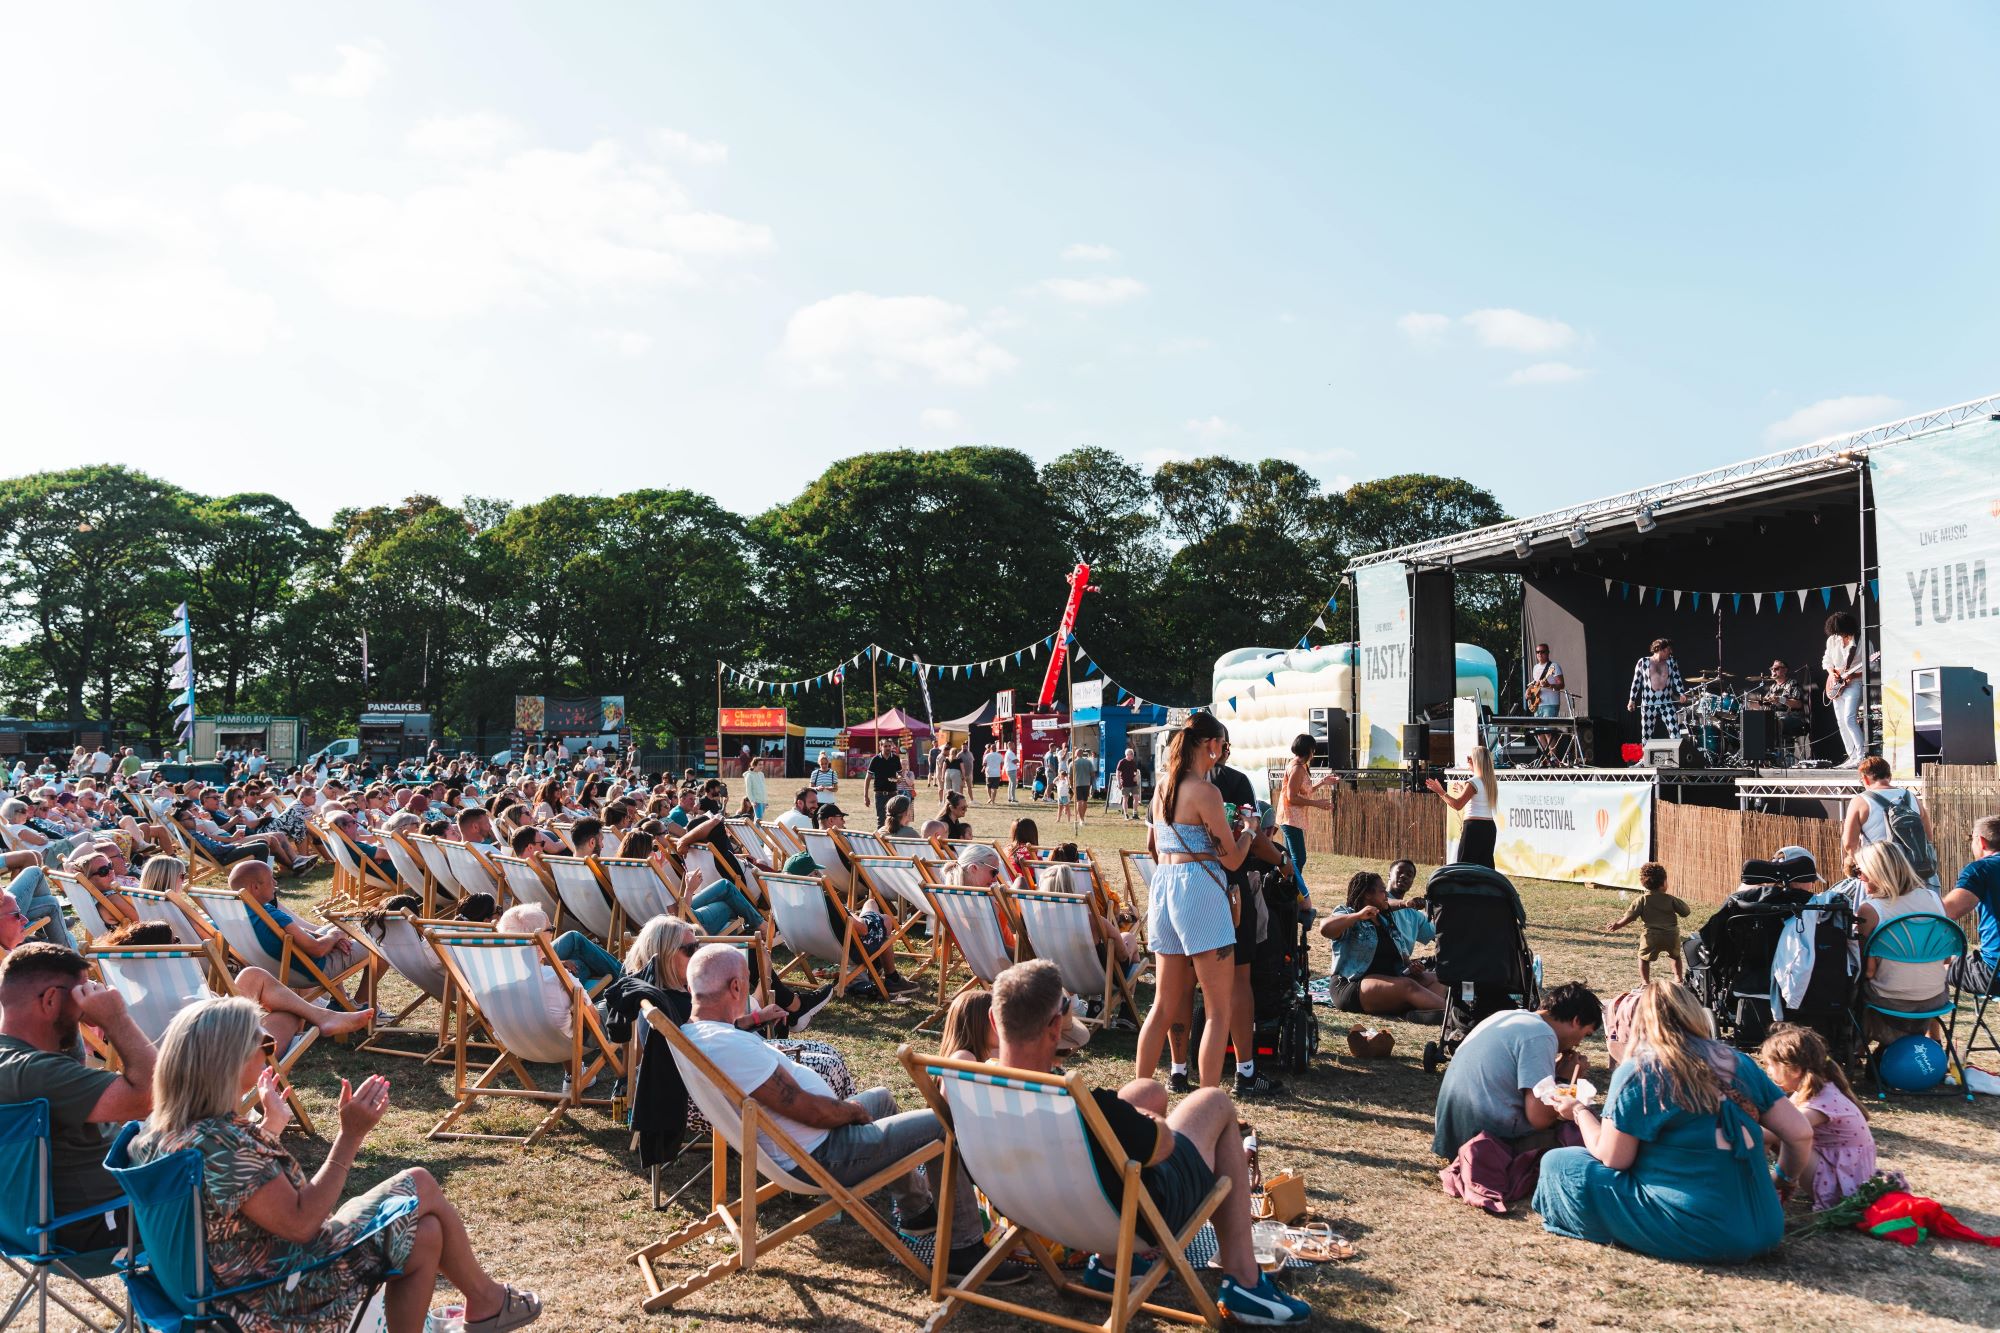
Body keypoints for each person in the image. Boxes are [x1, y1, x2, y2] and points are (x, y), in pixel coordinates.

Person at [129, 998, 541, 1333]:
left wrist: (270, 1127)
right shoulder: (223, 1141)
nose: (272, 1052)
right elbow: (301, 1222)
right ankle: (487, 1301)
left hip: (215, 1291)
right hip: (274, 1298)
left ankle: (486, 1302)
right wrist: (350, 1135)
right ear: (229, 1060)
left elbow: (233, 1203)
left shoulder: (158, 1136)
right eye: (266, 1045)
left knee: (425, 1235)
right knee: (419, 1180)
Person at [991, 960, 1310, 1324]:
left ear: (994, 1021)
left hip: (1031, 1208)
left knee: (1147, 1090)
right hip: (1122, 1219)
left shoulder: (970, 1095)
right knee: (1214, 1103)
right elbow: (1163, 1146)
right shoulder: (1080, 1104)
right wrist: (1149, 1124)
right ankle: (1245, 1282)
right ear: (1053, 1027)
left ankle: (1114, 1266)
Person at [681, 944, 1019, 1283]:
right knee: (940, 1125)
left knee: (882, 1100)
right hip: (822, 1156)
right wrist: (849, 1112)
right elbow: (808, 1110)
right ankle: (962, 1250)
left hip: (809, 1145)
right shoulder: (730, 1047)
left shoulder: (699, 1032)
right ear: (737, 987)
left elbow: (734, 1039)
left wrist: (753, 1020)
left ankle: (916, 1211)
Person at [1531, 981, 1813, 1264]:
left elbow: (1613, 1158)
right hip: (1766, 1226)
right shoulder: (1740, 1063)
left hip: (1696, 1229)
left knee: (1560, 1163)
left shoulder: (1639, 1071)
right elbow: (1800, 1133)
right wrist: (1785, 1179)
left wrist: (1579, 1112)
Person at [0, 943, 156, 1257]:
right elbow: (153, 1094)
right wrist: (116, 1018)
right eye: (82, 996)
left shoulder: (18, 1064)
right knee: (237, 1187)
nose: (87, 1012)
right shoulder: (39, 1073)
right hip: (97, 1227)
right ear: (51, 1000)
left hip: (20, 1229)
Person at [1133, 713, 1262, 1091]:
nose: (1223, 752)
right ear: (1210, 745)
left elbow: (1154, 847)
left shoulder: (1161, 788)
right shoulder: (1206, 792)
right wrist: (1250, 832)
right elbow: (1233, 860)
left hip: (1165, 886)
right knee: (1218, 1009)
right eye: (1222, 745)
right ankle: (1208, 1099)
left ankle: (1138, 1091)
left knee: (1162, 1005)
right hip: (1199, 892)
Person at [1432, 981, 1602, 1158]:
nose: (1578, 1043)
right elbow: (1540, 1118)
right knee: (1585, 1134)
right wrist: (1567, 1080)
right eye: (1585, 1034)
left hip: (1452, 1137)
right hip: (1482, 1145)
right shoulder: (1541, 1035)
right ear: (1576, 1021)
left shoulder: (1508, 1016)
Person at [1758, 1024, 1875, 1209]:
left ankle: (1764, 1184)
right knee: (1778, 1129)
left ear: (1795, 1069)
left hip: (1842, 1189)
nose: (1768, 1071)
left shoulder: (1820, 1101)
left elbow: (1773, 1132)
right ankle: (1756, 1179)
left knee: (1785, 1133)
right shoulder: (1812, 1089)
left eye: (1770, 1065)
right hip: (1837, 1171)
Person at [1853, 840, 1950, 1044]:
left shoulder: (1870, 910)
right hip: (1935, 997)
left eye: (1860, 871)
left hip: (1891, 1000)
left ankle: (1859, 1046)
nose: (1859, 877)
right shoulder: (1933, 899)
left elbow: (1866, 970)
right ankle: (1930, 1040)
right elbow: (1946, 957)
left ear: (1876, 873)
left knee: (1851, 984)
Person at [231, 860, 364, 1003]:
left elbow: (298, 933)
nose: (275, 883)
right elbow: (317, 949)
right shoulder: (272, 916)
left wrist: (331, 939)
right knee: (377, 945)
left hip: (272, 967)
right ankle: (363, 1004)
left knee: (329, 931)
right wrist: (335, 936)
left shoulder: (233, 912)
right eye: (271, 879)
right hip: (308, 972)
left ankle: (341, 1001)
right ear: (255, 887)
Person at [1320, 869, 1446, 1017]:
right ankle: (1452, 1016)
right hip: (1354, 986)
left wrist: (1411, 967)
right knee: (1408, 986)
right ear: (1368, 894)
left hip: (1390, 982)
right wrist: (1358, 916)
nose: (1386, 894)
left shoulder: (1386, 921)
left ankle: (1422, 1014)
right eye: (1382, 891)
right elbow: (1325, 928)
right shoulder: (1349, 914)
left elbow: (1402, 961)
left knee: (1440, 978)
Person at [1842, 755, 1938, 887]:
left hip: (1880, 873)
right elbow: (1928, 837)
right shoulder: (1911, 797)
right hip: (1913, 872)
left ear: (1864, 778)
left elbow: (1849, 844)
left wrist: (1864, 867)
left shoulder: (1860, 801)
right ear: (1889, 776)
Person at [1941, 813, 2000, 999]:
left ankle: (1929, 1029)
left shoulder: (1982, 869)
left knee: (1930, 966)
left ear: (1981, 841)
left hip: (1993, 973)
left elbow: (1948, 911)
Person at [1603, 862, 1690, 982]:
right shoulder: (1670, 899)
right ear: (1664, 883)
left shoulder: (1641, 900)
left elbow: (1630, 916)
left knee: (1643, 958)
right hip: (1671, 935)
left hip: (1651, 936)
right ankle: (1678, 977)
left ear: (1643, 883)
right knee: (1675, 956)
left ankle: (1645, 982)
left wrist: (1617, 925)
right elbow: (1685, 912)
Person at [1278, 734, 1336, 900]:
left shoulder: (1299, 765)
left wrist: (1323, 782)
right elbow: (1292, 797)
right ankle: (1297, 892)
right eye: (1313, 749)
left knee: (1288, 857)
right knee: (1298, 858)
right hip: (1290, 819)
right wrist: (1316, 803)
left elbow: (1305, 790)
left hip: (1292, 818)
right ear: (1310, 750)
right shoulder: (1297, 768)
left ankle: (1288, 889)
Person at [1426, 746, 1499, 868]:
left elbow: (1457, 805)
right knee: (1485, 868)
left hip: (1473, 828)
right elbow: (1478, 798)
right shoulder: (1489, 781)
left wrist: (1440, 791)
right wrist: (1463, 790)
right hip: (1489, 828)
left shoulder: (1473, 782)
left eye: (1469, 757)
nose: (1467, 760)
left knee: (1464, 867)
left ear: (1476, 760)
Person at [1822, 610, 1865, 767]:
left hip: (1854, 683)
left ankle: (1861, 756)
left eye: (1841, 632)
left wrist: (1853, 676)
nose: (1839, 635)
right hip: (1836, 684)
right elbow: (1826, 660)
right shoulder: (1832, 640)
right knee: (1841, 721)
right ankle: (1851, 756)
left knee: (1849, 718)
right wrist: (1832, 673)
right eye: (1836, 632)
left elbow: (1873, 666)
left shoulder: (1862, 640)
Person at [1626, 637, 1689, 741]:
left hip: (1666, 702)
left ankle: (1677, 755)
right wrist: (1632, 700)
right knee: (1646, 734)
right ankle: (1646, 756)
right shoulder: (1643, 662)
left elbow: (1677, 678)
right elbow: (1636, 682)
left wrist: (1682, 693)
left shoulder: (1671, 662)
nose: (1670, 652)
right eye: (1668, 650)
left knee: (1675, 731)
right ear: (1661, 649)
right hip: (1649, 703)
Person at [939, 987, 994, 1062]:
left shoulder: (989, 1054)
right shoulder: (964, 1058)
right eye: (998, 1020)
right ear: (978, 1026)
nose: (1005, 1026)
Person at [866, 743, 903, 826]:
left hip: (893, 794)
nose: (888, 748)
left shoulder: (895, 758)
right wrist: (866, 796)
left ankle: (892, 838)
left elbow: (900, 774)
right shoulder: (875, 759)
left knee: (894, 819)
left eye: (889, 746)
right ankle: (880, 838)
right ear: (880, 747)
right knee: (881, 820)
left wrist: (899, 778)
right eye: (885, 746)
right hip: (880, 794)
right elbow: (868, 778)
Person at [1115, 746, 1141, 821]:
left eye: (1133, 754)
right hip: (1125, 783)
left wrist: (1136, 776)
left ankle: (1135, 814)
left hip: (1133, 783)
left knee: (1136, 798)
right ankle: (1126, 814)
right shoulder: (1122, 762)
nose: (1133, 755)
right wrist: (1119, 782)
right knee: (1125, 799)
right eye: (1131, 754)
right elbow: (1118, 773)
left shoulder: (1133, 762)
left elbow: (1136, 771)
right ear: (1127, 754)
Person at [1071, 748, 1097, 821]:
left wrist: (1071, 784)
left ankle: (1081, 818)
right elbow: (1092, 774)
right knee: (1085, 801)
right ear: (1082, 754)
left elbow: (1070, 775)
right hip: (1086, 784)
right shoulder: (1088, 762)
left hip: (1077, 784)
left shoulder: (1073, 763)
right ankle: (1082, 817)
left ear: (1076, 754)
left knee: (1079, 801)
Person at [743, 756, 768, 821]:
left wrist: (765, 801)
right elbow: (748, 790)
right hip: (756, 801)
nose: (761, 766)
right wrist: (752, 801)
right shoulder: (749, 776)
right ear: (754, 765)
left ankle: (754, 831)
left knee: (758, 819)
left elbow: (763, 788)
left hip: (763, 801)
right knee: (759, 820)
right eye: (759, 764)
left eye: (762, 764)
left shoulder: (761, 774)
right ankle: (756, 831)